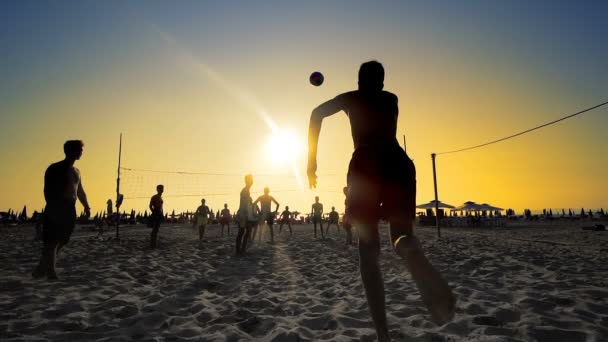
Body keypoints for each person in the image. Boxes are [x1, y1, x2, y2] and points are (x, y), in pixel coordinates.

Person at [307, 61, 455, 341]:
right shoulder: (391, 99)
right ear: (382, 83)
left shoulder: (351, 98)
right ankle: (418, 262)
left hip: (366, 165)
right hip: (398, 163)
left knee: (368, 250)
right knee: (401, 238)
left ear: (359, 81)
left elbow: (316, 114)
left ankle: (383, 335)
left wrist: (310, 161)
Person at [32, 140, 91, 280]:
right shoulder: (55, 168)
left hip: (70, 208)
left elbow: (80, 190)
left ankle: (42, 266)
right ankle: (51, 273)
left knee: (63, 240)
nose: (82, 152)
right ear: (71, 151)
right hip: (56, 206)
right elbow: (47, 189)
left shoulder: (76, 171)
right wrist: (53, 207)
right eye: (80, 149)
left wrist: (86, 205)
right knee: (51, 241)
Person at [236, 174, 255, 255]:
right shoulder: (245, 191)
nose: (252, 181)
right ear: (247, 181)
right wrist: (245, 213)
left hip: (244, 213)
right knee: (243, 232)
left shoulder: (246, 190)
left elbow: (244, 203)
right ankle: (240, 250)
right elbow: (243, 203)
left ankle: (241, 249)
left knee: (245, 231)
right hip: (244, 213)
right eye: (251, 179)